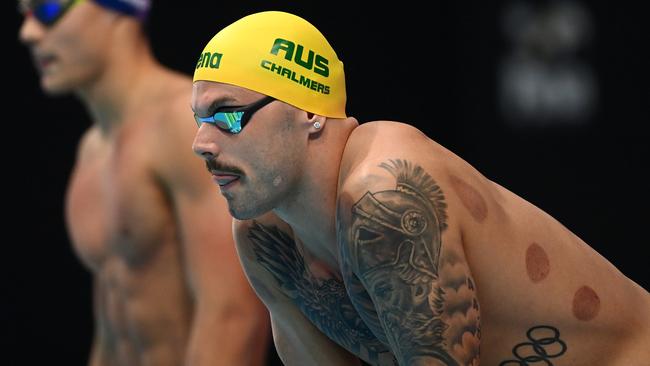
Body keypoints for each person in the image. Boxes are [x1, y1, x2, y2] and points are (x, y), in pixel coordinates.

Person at [190, 11, 650, 366]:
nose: (201, 144)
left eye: (228, 116)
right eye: (200, 120)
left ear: (310, 112)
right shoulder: (263, 238)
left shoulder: (384, 194)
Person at [18, 1, 272, 365]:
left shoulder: (188, 128)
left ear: (119, 10)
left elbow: (234, 314)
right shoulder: (91, 150)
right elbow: (112, 327)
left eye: (47, 10)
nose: (27, 33)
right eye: (24, 16)